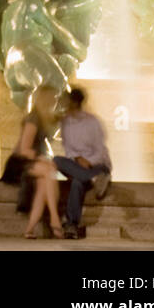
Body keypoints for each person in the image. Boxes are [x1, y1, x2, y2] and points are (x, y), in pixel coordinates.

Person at [1, 84, 64, 239]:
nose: (55, 101)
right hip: (19, 163)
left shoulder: (43, 118)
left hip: (33, 163)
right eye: (53, 98)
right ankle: (55, 220)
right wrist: (42, 158)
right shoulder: (33, 119)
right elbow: (24, 150)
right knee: (49, 170)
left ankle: (29, 229)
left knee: (44, 184)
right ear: (44, 99)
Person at [53, 87, 112, 238]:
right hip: (79, 166)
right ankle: (93, 178)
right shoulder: (65, 123)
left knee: (77, 183)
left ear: (74, 103)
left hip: (97, 165)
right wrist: (78, 159)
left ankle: (71, 225)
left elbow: (101, 151)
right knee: (56, 160)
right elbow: (69, 150)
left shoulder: (92, 122)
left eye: (67, 102)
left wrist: (88, 162)